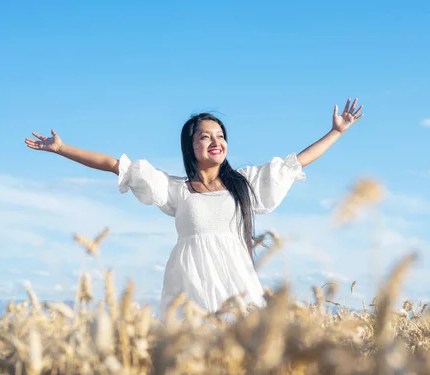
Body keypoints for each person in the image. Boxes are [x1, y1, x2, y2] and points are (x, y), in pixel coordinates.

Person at [25, 98, 364, 317]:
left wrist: (335, 133)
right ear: (190, 145)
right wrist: (62, 148)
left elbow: (296, 163)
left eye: (220, 135)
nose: (215, 141)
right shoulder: (176, 189)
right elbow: (116, 165)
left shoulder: (244, 184)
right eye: (205, 136)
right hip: (190, 285)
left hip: (237, 284)